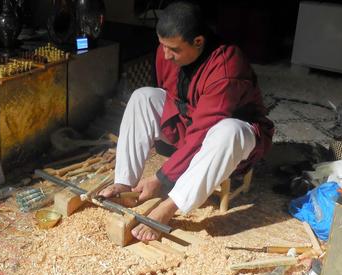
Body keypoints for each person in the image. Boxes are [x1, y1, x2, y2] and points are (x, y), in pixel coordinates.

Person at [99, 1, 274, 241]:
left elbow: (203, 132)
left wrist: (161, 180)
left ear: (199, 42)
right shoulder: (168, 52)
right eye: (162, 46)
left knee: (228, 131)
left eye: (174, 49)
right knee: (143, 97)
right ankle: (123, 182)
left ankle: (169, 207)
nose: (166, 55)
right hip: (190, 119)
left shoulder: (226, 68)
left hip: (233, 133)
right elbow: (171, 95)